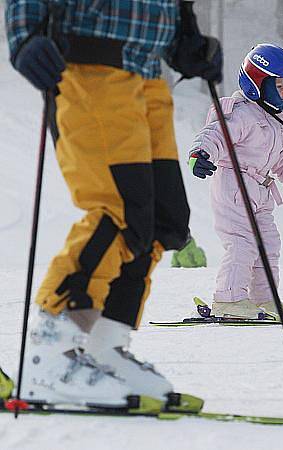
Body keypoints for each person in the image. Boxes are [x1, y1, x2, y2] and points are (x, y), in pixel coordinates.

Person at [4, 0, 222, 407]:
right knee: (118, 208)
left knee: (163, 220)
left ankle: (104, 346)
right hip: (89, 64)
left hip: (148, 74)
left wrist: (184, 38)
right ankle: (49, 353)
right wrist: (24, 36)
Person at [189, 44, 283, 320]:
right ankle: (229, 300)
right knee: (242, 243)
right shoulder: (240, 113)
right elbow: (216, 134)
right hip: (233, 185)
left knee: (269, 244)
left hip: (261, 190)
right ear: (258, 83)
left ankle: (264, 299)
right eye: (280, 86)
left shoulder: (279, 123)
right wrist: (200, 153)